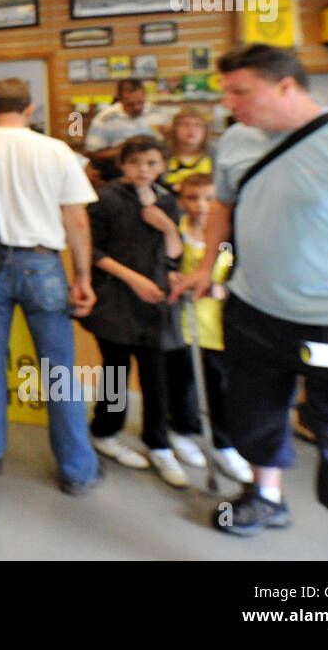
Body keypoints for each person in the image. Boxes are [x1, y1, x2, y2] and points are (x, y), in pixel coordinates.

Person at [175, 43, 328, 561]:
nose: (230, 103)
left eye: (241, 91)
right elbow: (224, 204)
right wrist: (207, 267)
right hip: (251, 309)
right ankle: (266, 495)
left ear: (287, 86)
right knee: (255, 417)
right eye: (226, 91)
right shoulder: (239, 140)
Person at [0, 78, 102, 495]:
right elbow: (77, 220)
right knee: (59, 369)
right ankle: (76, 470)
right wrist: (82, 278)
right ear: (30, 111)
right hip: (42, 265)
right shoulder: (56, 150)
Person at [81, 135, 189, 487]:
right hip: (116, 298)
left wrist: (167, 226)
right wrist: (133, 279)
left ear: (164, 166)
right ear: (124, 164)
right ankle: (105, 431)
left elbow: (174, 253)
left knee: (156, 374)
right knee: (116, 368)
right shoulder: (105, 198)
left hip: (156, 300)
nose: (144, 170)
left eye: (152, 163)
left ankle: (158, 442)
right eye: (136, 162)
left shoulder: (168, 201)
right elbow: (93, 251)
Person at [162, 173, 254, 482]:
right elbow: (164, 265)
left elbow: (245, 275)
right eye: (193, 198)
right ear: (182, 201)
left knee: (221, 385)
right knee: (182, 380)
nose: (201, 206)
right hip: (183, 321)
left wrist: (223, 289)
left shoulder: (231, 236)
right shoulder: (178, 232)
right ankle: (182, 430)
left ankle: (223, 443)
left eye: (209, 198)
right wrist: (171, 277)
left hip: (218, 325)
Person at [84, 79, 167, 180]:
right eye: (130, 104)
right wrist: (123, 150)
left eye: (140, 102)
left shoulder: (157, 113)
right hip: (118, 174)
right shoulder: (105, 118)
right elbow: (92, 153)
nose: (137, 107)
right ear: (120, 100)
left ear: (145, 96)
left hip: (154, 173)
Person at [162, 107, 213, 192]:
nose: (191, 129)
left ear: (206, 131)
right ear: (175, 129)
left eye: (198, 125)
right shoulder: (162, 154)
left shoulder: (216, 155)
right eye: (185, 124)